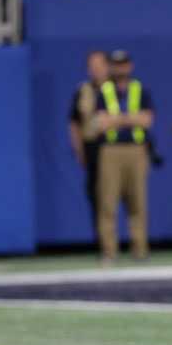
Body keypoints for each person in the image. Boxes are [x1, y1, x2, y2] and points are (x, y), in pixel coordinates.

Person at [95, 50, 154, 263]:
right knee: (108, 202)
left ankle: (140, 249)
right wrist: (131, 118)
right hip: (111, 151)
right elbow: (101, 124)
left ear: (130, 66)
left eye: (124, 64)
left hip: (136, 150)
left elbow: (147, 121)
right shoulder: (104, 92)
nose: (120, 68)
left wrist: (117, 119)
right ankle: (109, 251)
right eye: (116, 64)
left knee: (138, 201)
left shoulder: (140, 90)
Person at [68, 50, 109, 234]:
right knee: (94, 193)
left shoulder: (115, 89)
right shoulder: (82, 90)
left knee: (113, 194)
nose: (95, 70)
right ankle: (101, 240)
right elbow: (74, 122)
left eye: (99, 65)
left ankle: (119, 240)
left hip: (112, 147)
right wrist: (78, 150)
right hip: (91, 147)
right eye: (92, 66)